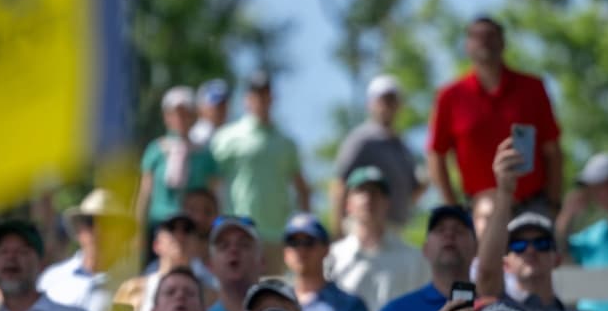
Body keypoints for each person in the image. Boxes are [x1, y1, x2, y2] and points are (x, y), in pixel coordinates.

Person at [427, 17, 562, 210]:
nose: (484, 41)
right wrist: (454, 210)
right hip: (479, 210)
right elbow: (436, 155)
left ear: (503, 42)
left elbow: (552, 150)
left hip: (532, 205)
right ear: (467, 45)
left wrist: (554, 203)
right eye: (476, 36)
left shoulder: (532, 88)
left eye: (490, 36)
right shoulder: (450, 96)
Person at [360, 204, 482, 311]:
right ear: (425, 249)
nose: (449, 234)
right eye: (440, 230)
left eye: (459, 230)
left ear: (476, 248)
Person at [211, 73, 309, 250]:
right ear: (246, 99)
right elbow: (211, 185)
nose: (261, 99)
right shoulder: (225, 138)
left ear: (272, 98)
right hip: (237, 235)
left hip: (277, 236)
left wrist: (303, 231)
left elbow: (302, 188)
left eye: (265, 93)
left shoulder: (286, 142)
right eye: (256, 94)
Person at [325, 168, 428, 309]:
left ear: (387, 203)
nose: (368, 198)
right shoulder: (332, 257)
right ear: (348, 204)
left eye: (375, 192)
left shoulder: (414, 258)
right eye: (361, 191)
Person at [331, 74, 419, 230]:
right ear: (370, 104)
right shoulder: (361, 139)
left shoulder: (403, 147)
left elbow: (412, 193)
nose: (387, 106)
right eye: (382, 100)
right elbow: (340, 183)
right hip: (362, 227)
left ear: (399, 105)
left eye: (391, 100)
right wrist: (337, 230)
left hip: (394, 230)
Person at [136, 89, 221, 241]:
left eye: (186, 114)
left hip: (193, 228)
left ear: (194, 117)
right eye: (175, 114)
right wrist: (138, 228)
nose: (180, 119)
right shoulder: (155, 150)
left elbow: (212, 197)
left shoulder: (204, 155)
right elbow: (145, 193)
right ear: (166, 117)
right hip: (159, 225)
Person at [282, 214, 369, 311]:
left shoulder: (350, 306)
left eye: (309, 242)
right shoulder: (274, 303)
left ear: (326, 249)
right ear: (285, 253)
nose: (301, 249)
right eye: (293, 243)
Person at [39, 190, 127, 311]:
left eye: (108, 224)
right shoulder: (51, 279)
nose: (98, 231)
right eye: (90, 222)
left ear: (122, 234)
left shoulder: (131, 286)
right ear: (78, 230)